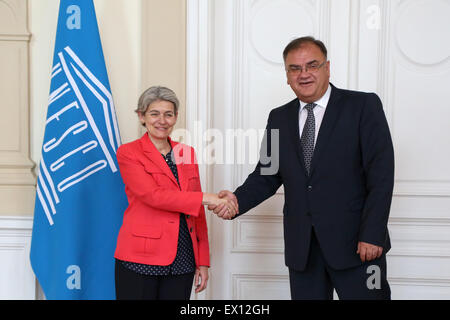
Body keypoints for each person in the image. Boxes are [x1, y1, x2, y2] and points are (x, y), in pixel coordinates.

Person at [210, 37, 394, 300]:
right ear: (287, 75)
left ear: (327, 68)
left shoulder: (363, 106)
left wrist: (373, 234)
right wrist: (236, 201)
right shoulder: (279, 117)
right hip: (303, 250)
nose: (304, 74)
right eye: (295, 68)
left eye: (312, 65)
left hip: (359, 247)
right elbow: (267, 173)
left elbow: (382, 175)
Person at [114, 86, 237, 300]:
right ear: (142, 116)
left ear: (175, 117)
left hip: (183, 257)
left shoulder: (186, 153)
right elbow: (153, 195)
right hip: (140, 257)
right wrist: (209, 198)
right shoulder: (128, 153)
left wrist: (203, 261)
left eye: (168, 114)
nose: (162, 120)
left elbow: (196, 212)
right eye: (154, 113)